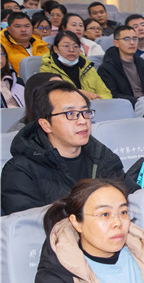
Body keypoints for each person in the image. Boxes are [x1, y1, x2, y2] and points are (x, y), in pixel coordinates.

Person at [1, 81, 128, 215]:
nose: (82, 121)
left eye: (85, 112)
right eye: (70, 114)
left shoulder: (103, 157)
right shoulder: (21, 171)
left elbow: (129, 203)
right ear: (46, 125)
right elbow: (29, 224)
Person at [40, 31, 112, 100]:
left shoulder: (88, 67)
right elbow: (49, 97)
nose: (71, 49)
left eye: (75, 46)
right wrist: (79, 94)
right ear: (56, 49)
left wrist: (95, 97)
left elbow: (107, 94)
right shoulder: (47, 69)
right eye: (66, 46)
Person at [97, 25, 144, 105]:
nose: (132, 42)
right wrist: (139, 101)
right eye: (126, 39)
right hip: (126, 106)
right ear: (116, 43)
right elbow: (112, 95)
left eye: (135, 39)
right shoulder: (106, 69)